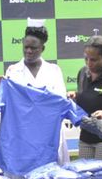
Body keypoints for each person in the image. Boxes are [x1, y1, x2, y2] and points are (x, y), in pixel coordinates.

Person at [6, 24, 69, 164]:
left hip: (49, 132)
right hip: (24, 133)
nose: (28, 51)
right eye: (26, 47)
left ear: (42, 48)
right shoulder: (13, 71)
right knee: (25, 173)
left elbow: (60, 101)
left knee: (52, 172)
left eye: (33, 48)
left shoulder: (54, 70)